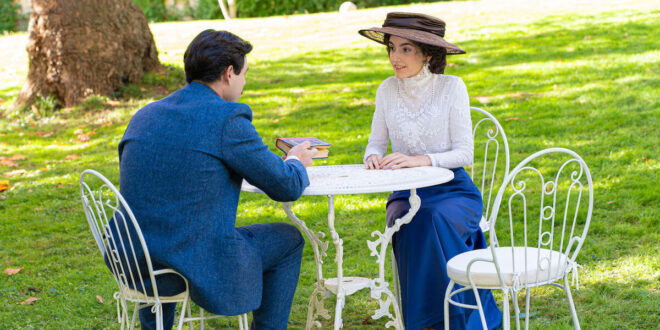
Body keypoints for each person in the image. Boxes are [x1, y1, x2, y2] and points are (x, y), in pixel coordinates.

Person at [116, 29, 318, 329]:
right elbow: (285, 186)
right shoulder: (227, 119)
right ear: (228, 73)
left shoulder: (144, 115)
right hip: (190, 263)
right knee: (288, 239)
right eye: (244, 74)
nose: (244, 82)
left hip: (132, 257)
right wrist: (295, 161)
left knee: (161, 230)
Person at [359, 13, 502, 329]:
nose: (395, 58)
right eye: (391, 48)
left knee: (432, 218)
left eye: (406, 49)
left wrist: (422, 160)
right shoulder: (386, 90)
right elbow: (375, 143)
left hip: (454, 191)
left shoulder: (452, 87)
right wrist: (372, 157)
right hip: (406, 193)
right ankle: (445, 319)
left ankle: (445, 320)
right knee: (411, 216)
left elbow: (464, 153)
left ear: (428, 53)